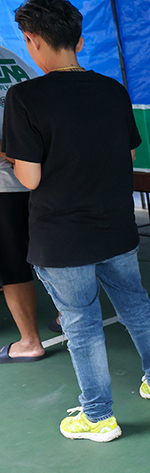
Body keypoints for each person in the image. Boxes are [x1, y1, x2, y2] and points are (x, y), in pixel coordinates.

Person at [2, 0, 150, 442]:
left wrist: (12, 155)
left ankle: (98, 416)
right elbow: (130, 154)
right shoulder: (112, 90)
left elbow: (29, 177)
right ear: (77, 40)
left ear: (33, 40)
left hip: (62, 238)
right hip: (115, 227)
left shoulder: (25, 98)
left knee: (81, 323)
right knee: (137, 306)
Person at [0, 44, 46, 364]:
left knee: (13, 262)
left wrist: (14, 153)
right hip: (42, 176)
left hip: (9, 181)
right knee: (52, 252)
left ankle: (30, 340)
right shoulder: (11, 55)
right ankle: (67, 318)